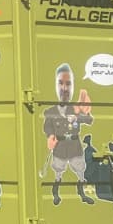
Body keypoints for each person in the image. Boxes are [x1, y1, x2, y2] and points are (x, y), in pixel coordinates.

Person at [42, 63, 95, 205]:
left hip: (74, 146)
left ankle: (82, 194)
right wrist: (50, 136)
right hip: (59, 146)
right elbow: (47, 126)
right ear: (55, 85)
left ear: (73, 86)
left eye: (68, 84)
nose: (64, 88)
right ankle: (55, 195)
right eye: (60, 83)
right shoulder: (51, 111)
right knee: (58, 172)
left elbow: (89, 120)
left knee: (80, 171)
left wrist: (81, 115)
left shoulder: (76, 108)